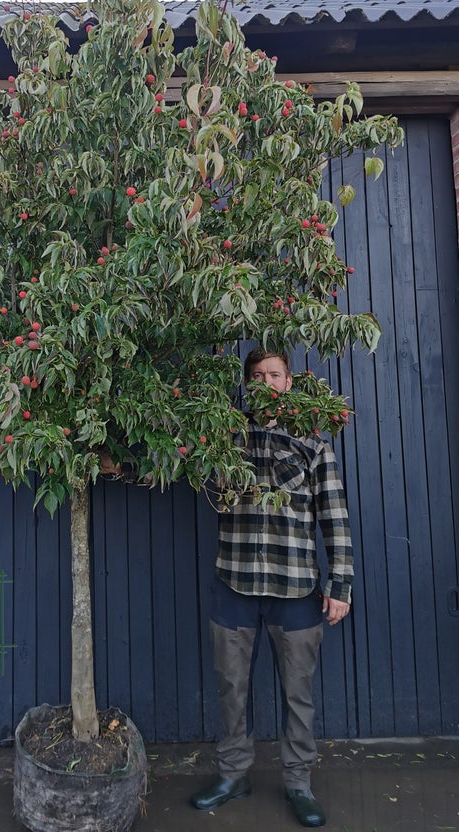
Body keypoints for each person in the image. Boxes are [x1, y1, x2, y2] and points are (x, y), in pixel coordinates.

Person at [191, 347, 353, 828]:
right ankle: (234, 774)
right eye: (257, 375)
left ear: (288, 381)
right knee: (231, 688)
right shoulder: (225, 434)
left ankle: (298, 783)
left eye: (274, 373)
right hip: (234, 583)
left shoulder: (313, 440)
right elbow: (189, 476)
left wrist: (340, 584)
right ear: (248, 383)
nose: (265, 381)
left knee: (297, 692)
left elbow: (334, 516)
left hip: (297, 588)